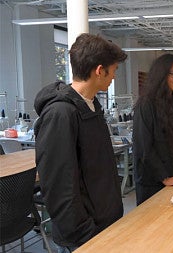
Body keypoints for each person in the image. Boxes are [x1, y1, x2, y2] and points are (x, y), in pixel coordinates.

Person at [34, 33, 128, 251]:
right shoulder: (61, 114)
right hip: (84, 238)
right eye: (113, 70)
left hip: (104, 224)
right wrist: (85, 234)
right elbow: (58, 187)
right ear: (99, 70)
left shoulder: (91, 106)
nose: (113, 77)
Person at [133, 54, 173, 205]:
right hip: (153, 181)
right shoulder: (146, 105)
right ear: (161, 75)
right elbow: (144, 147)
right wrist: (164, 177)